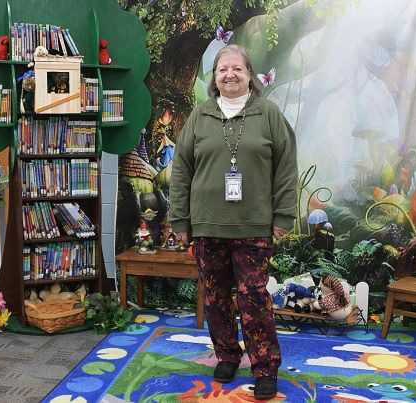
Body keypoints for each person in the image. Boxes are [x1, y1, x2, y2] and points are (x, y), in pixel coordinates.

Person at [168, 44, 298, 400]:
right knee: (215, 297)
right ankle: (227, 354)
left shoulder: (268, 113)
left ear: (249, 75)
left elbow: (286, 167)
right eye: (222, 69)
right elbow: (181, 170)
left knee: (254, 297)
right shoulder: (200, 115)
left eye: (237, 68)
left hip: (254, 225)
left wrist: (283, 214)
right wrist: (180, 220)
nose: (230, 74)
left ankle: (265, 368)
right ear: (215, 77)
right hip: (207, 225)